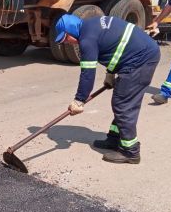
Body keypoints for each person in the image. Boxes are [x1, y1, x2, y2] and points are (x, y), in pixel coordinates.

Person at [55, 14, 161, 164]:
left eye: (65, 38)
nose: (66, 43)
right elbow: (114, 48)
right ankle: (114, 139)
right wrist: (110, 74)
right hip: (139, 55)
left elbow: (87, 75)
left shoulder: (86, 40)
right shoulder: (91, 24)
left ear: (71, 31)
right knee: (121, 100)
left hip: (141, 60)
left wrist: (79, 100)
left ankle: (130, 152)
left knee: (123, 104)